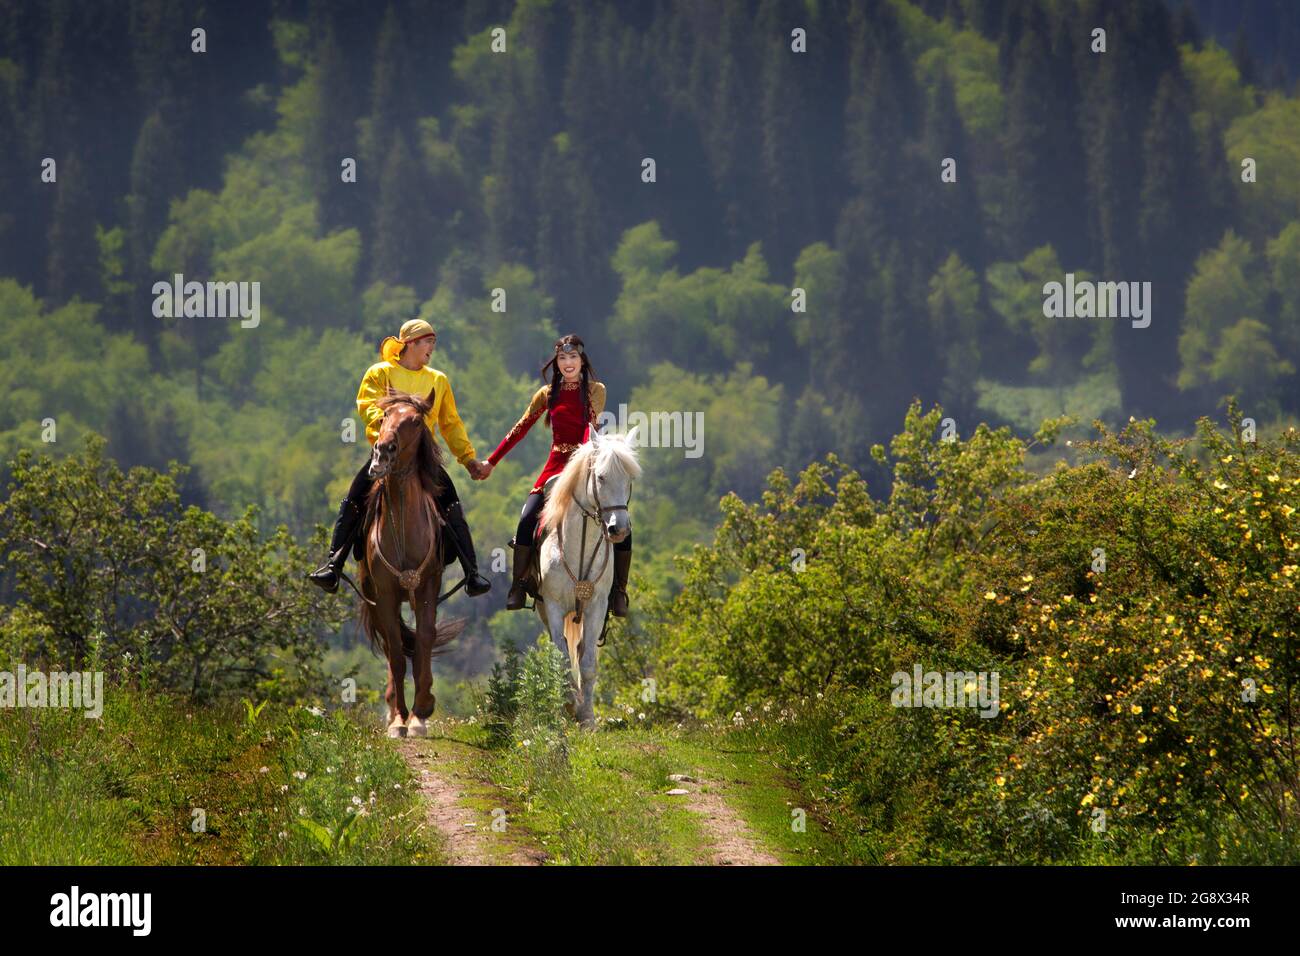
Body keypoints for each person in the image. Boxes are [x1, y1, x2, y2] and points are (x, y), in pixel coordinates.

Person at [306, 318, 491, 597]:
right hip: (386, 454)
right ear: (411, 343)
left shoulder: (437, 380)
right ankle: (333, 565)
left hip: (423, 459)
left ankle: (472, 572)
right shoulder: (380, 372)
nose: (432, 348)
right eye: (428, 341)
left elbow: (450, 423)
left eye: (433, 342)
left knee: (451, 503)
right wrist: (391, 424)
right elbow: (366, 405)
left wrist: (468, 459)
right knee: (355, 498)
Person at [476, 334, 632, 615]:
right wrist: (491, 462)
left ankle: (619, 590)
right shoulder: (546, 394)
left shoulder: (596, 390)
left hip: (585, 464)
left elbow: (590, 426)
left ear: (582, 361)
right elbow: (519, 429)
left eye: (573, 358)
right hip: (555, 465)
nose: (568, 363)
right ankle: (519, 584)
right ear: (556, 362)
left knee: (620, 520)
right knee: (526, 519)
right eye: (562, 358)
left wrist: (583, 454)